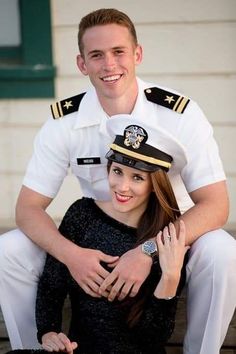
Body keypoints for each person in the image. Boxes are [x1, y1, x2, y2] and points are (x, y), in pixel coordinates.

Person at [0, 7, 235, 354]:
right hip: (93, 239)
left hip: (168, 237)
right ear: (82, 64)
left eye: (118, 52)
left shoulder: (179, 114)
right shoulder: (64, 122)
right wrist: (71, 255)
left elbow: (216, 205)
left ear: (137, 54)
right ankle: (37, 349)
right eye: (96, 55)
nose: (109, 65)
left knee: (223, 251)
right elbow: (28, 208)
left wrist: (148, 250)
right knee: (9, 249)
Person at [4, 116, 190, 354]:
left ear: (154, 184)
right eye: (117, 171)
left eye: (137, 178)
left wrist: (170, 277)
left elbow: (153, 339)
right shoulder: (82, 214)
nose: (122, 186)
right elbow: (52, 285)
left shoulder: (164, 239)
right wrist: (49, 333)